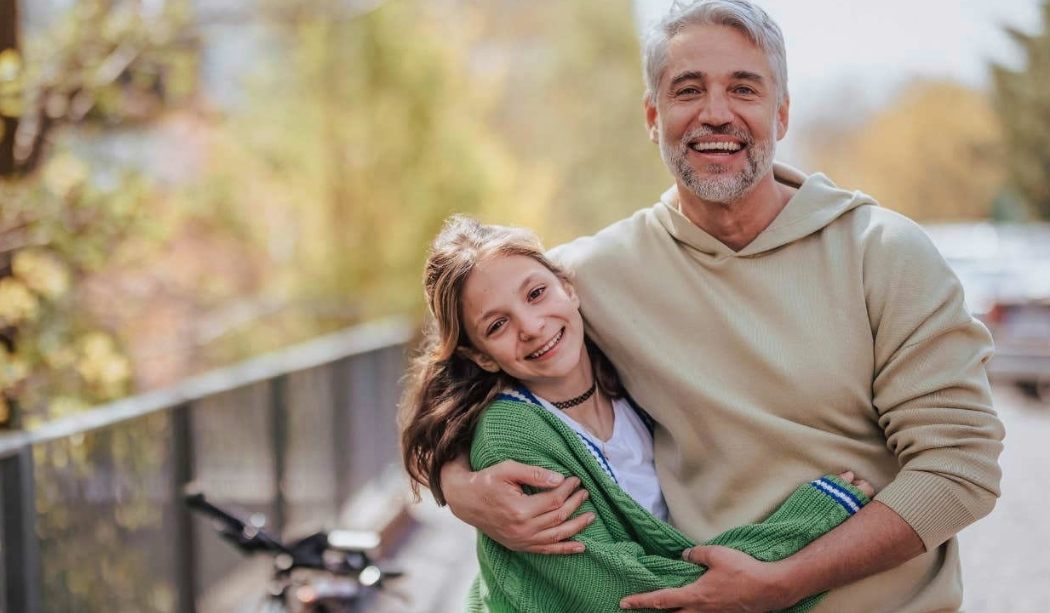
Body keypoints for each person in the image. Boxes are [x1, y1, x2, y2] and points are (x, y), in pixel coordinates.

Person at [438, 1, 1006, 612]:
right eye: (688, 91)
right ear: (653, 117)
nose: (716, 114)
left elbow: (959, 469)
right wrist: (462, 487)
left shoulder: (885, 253)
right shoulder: (590, 277)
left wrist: (785, 581)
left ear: (781, 113)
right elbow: (462, 356)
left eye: (743, 88)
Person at [400, 215, 876, 612]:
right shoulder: (512, 437)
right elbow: (621, 591)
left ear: (568, 288)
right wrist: (806, 524)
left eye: (536, 293)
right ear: (482, 356)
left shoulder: (633, 383)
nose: (531, 327)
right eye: (497, 324)